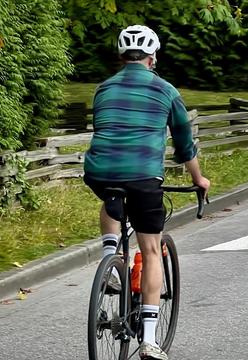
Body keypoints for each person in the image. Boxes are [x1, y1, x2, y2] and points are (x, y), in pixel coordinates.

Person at [83, 25, 210, 360]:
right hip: (143, 177)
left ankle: (112, 262)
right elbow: (184, 143)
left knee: (111, 200)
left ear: (121, 56)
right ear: (153, 57)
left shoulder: (103, 89)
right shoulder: (166, 90)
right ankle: (150, 341)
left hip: (98, 172)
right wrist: (199, 179)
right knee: (152, 251)